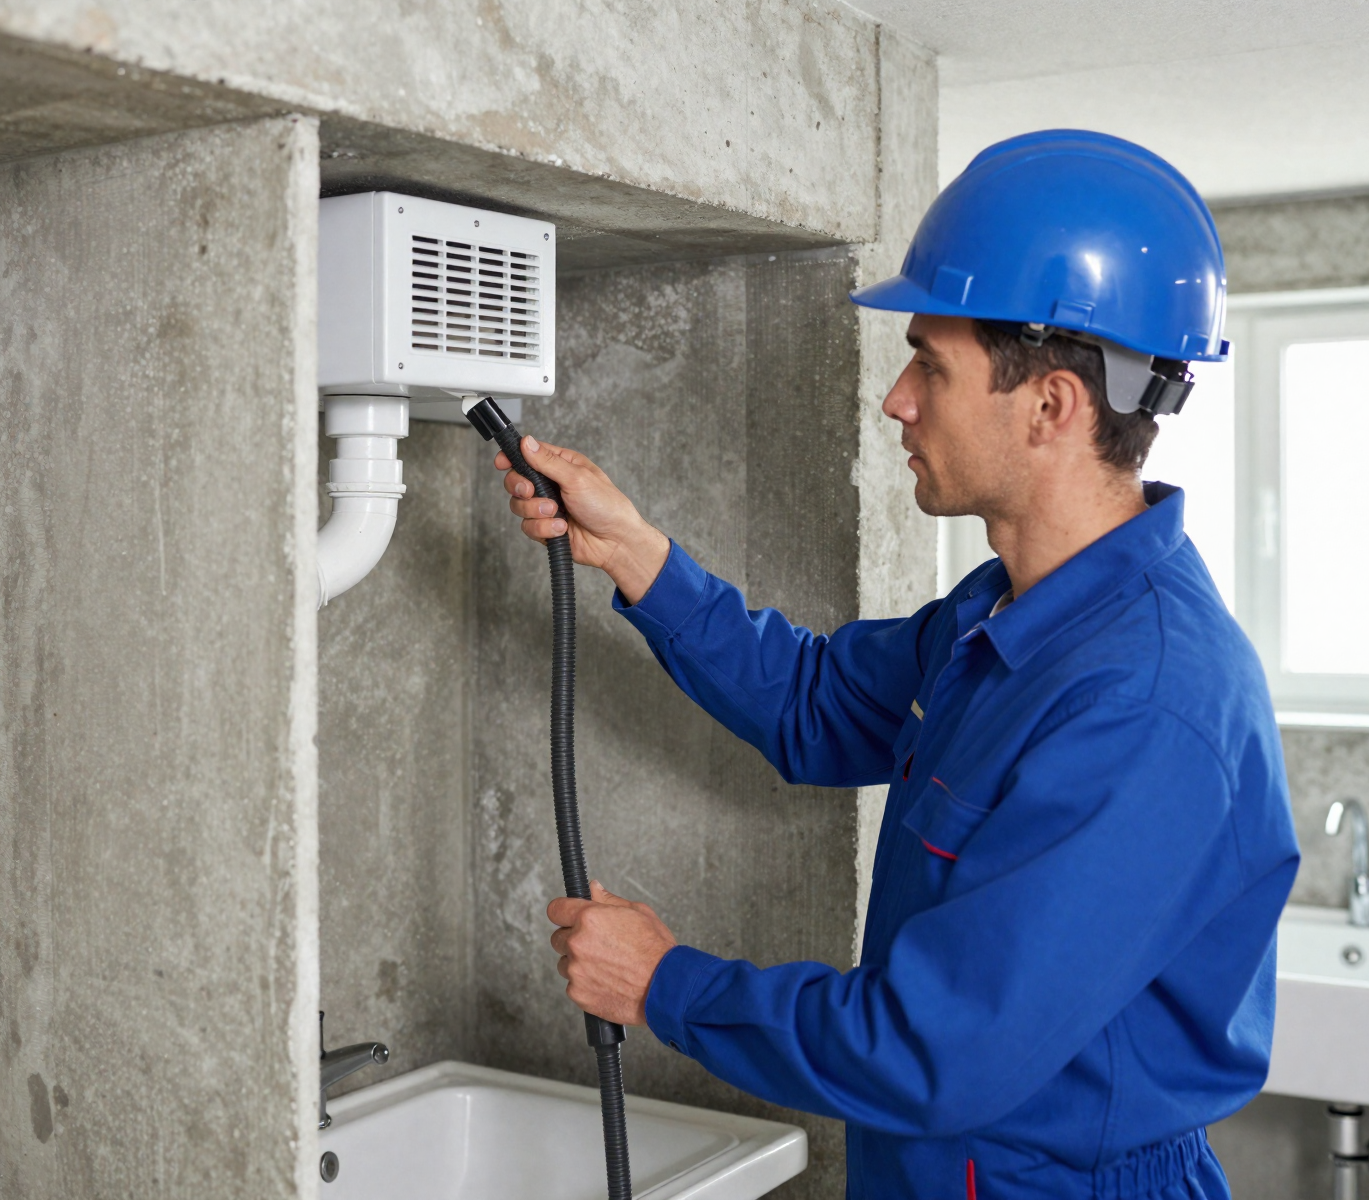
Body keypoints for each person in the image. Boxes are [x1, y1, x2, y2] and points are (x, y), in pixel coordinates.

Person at [496, 130, 1301, 1200]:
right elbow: (817, 704)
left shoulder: (1146, 704)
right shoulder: (1003, 616)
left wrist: (664, 984)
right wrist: (634, 554)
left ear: (1051, 405)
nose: (896, 400)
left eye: (930, 363)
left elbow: (937, 1048)